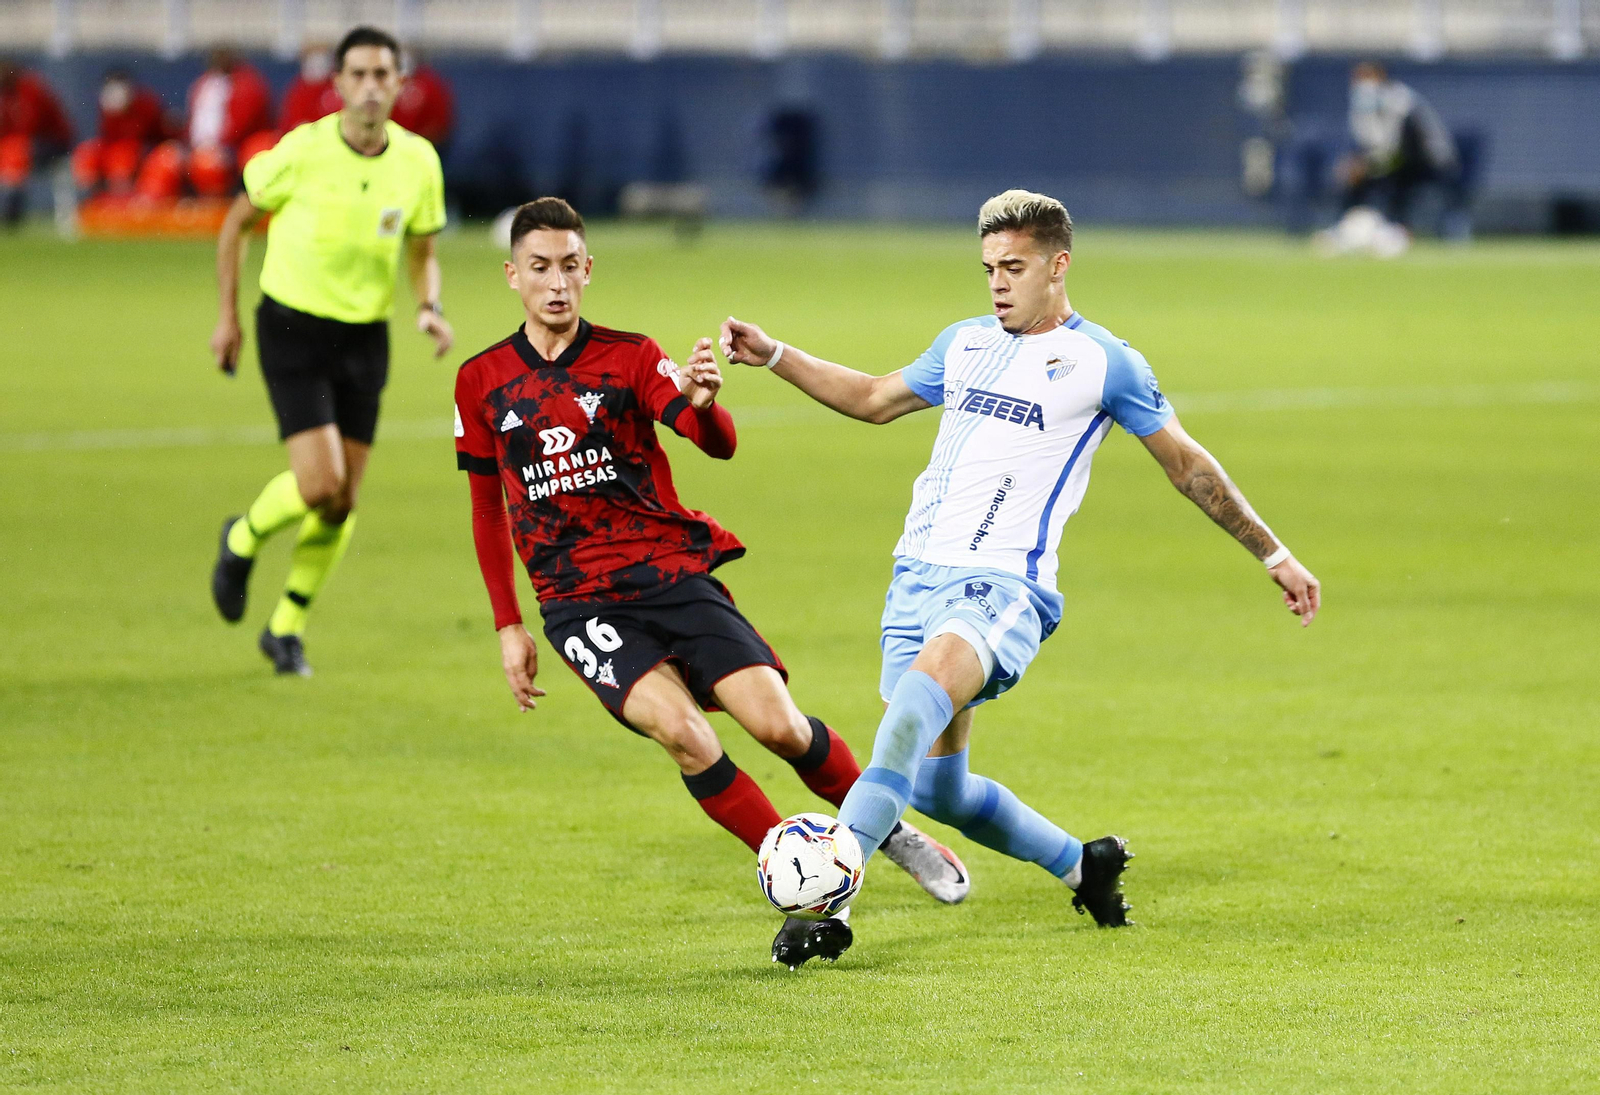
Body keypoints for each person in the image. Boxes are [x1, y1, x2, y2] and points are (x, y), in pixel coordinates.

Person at [716, 189, 1322, 967]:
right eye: (989, 268)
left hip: (1003, 589)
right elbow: (871, 398)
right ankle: (1084, 863)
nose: (998, 283)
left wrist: (1274, 553)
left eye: (1014, 267)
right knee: (938, 789)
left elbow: (1188, 465)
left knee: (903, 718)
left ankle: (829, 898)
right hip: (917, 579)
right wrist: (774, 354)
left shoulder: (1105, 361)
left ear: (1057, 265)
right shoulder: (965, 342)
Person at [453, 196, 969, 903]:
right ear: (512, 274)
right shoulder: (480, 381)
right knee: (687, 734)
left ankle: (891, 833)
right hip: (578, 601)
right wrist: (508, 623)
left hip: (669, 573)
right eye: (540, 267)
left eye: (570, 266)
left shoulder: (629, 357)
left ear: (589, 269)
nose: (557, 283)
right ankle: (799, 871)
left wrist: (699, 403)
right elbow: (488, 506)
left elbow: (717, 443)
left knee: (780, 726)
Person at [208, 26, 453, 677]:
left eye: (383, 75)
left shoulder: (418, 162)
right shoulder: (301, 152)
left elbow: (423, 249)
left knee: (343, 501)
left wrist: (429, 306)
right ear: (337, 84)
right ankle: (243, 537)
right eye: (360, 75)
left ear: (401, 84)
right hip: (292, 327)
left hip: (365, 336)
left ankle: (286, 625)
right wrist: (227, 316)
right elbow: (235, 224)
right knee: (321, 483)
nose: (372, 87)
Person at [1318, 61, 1461, 256]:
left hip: (1427, 162)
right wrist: (1356, 165)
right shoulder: (1360, 107)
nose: (1362, 85)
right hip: (1391, 162)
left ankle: (1397, 230)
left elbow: (1400, 150)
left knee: (1393, 179)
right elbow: (1368, 144)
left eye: (1367, 78)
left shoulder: (1401, 102)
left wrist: (1367, 166)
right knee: (1353, 178)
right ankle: (1345, 227)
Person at [71, 70, 176, 196]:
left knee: (125, 156)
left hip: (147, 157)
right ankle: (90, 199)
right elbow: (107, 140)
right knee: (86, 153)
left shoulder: (146, 104)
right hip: (115, 157)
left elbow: (160, 137)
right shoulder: (106, 109)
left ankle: (124, 201)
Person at [0, 60, 73, 226]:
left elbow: (29, 127)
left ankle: (12, 210)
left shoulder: (30, 89)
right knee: (12, 149)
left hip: (51, 144)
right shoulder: (6, 94)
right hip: (24, 145)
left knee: (16, 150)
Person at [391, 50, 453, 151]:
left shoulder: (430, 84)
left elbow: (439, 126)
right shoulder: (383, 84)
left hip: (422, 148)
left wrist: (418, 145)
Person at [278, 44, 342, 133]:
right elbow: (290, 126)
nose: (316, 65)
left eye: (321, 59)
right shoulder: (297, 90)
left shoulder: (337, 87)